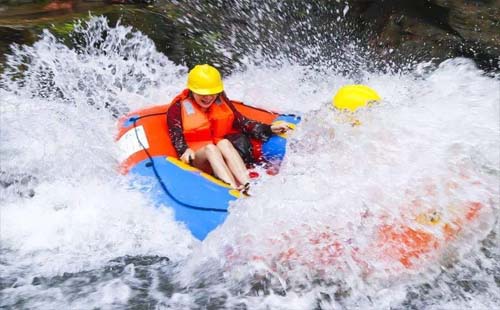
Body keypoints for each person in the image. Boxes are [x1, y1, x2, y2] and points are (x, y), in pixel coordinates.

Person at [167, 64, 290, 190]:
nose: (208, 97)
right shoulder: (177, 108)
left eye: (212, 93)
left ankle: (248, 184)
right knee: (211, 149)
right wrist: (183, 150)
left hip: (219, 156)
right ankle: (231, 189)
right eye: (203, 93)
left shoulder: (221, 99)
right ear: (192, 90)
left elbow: (242, 122)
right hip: (198, 158)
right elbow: (176, 136)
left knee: (224, 143)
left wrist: (269, 129)